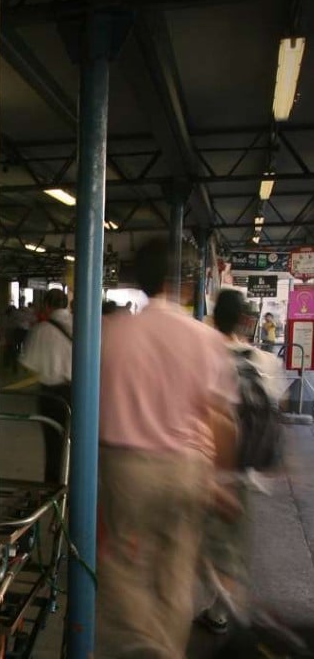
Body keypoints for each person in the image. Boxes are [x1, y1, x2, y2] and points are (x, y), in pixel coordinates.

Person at [95, 238, 239, 658]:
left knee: (123, 563)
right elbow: (221, 417)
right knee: (176, 569)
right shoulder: (204, 338)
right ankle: (166, 649)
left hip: (127, 467)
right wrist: (221, 480)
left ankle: (139, 643)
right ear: (186, 285)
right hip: (186, 468)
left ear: (138, 280)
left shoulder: (113, 334)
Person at [197, 290, 292, 639]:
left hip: (206, 470)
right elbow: (279, 404)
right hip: (246, 471)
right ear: (243, 321)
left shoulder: (202, 357)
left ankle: (222, 609)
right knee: (231, 544)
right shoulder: (265, 361)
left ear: (211, 316)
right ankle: (221, 607)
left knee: (196, 543)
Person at [19, 288, 72, 484]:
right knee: (82, 442)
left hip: (52, 396)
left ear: (47, 306)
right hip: (81, 393)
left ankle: (54, 488)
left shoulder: (41, 330)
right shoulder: (81, 324)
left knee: (54, 444)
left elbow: (29, 363)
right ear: (66, 304)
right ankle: (80, 486)